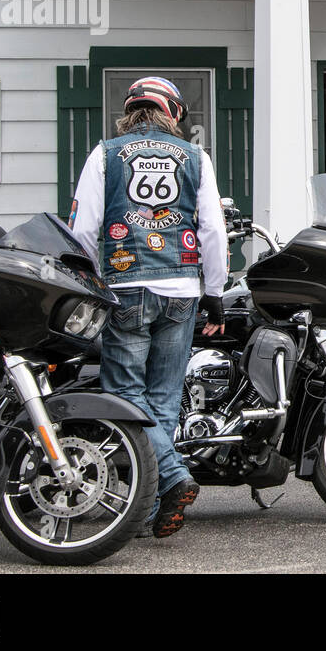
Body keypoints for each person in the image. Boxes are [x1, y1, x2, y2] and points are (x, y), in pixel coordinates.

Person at [68, 77, 228, 539]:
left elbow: (81, 229)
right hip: (182, 286)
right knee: (163, 398)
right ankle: (155, 501)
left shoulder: (106, 154)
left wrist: (94, 281)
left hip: (126, 284)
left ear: (129, 111)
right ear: (174, 113)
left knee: (125, 395)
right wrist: (214, 291)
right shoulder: (196, 158)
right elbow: (213, 229)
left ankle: (169, 480)